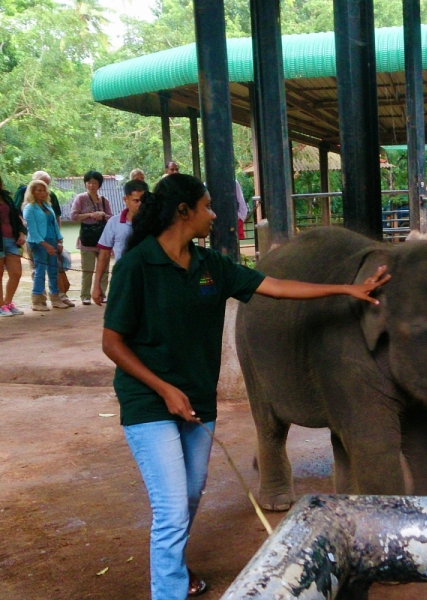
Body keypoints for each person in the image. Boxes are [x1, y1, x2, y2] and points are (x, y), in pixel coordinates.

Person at [101, 173, 389, 600]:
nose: (214, 215)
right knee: (170, 506)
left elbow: (275, 286)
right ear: (184, 212)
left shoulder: (208, 266)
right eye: (207, 206)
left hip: (196, 401)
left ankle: (174, 566)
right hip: (149, 401)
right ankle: (169, 591)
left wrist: (347, 288)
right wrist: (163, 389)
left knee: (190, 495)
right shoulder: (136, 265)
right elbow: (112, 343)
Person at [92, 179, 148, 306]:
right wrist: (96, 286)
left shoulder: (155, 223)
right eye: (136, 200)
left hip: (149, 279)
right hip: (123, 278)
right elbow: (104, 255)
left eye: (143, 200)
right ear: (125, 200)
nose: (140, 204)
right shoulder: (114, 222)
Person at [22, 180, 68, 311]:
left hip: (52, 239)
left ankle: (55, 298)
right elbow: (33, 231)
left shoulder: (48, 205)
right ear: (32, 192)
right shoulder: (29, 208)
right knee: (40, 271)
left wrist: (59, 241)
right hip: (38, 242)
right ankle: (38, 301)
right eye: (39, 190)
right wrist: (46, 245)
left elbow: (54, 224)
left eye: (44, 190)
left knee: (54, 271)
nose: (42, 193)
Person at [71, 170, 113, 305]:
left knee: (105, 270)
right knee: (87, 269)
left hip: (102, 239)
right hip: (87, 239)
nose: (91, 185)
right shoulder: (80, 198)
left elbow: (111, 218)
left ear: (99, 184)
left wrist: (102, 215)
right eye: (89, 183)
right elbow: (73, 216)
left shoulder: (104, 200)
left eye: (94, 183)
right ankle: (85, 295)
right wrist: (89, 215)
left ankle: (101, 293)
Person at [0, 176, 26, 316]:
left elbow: (17, 219)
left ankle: (7, 302)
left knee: (16, 273)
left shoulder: (7, 198)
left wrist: (22, 233)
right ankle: (0, 306)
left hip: (11, 239)